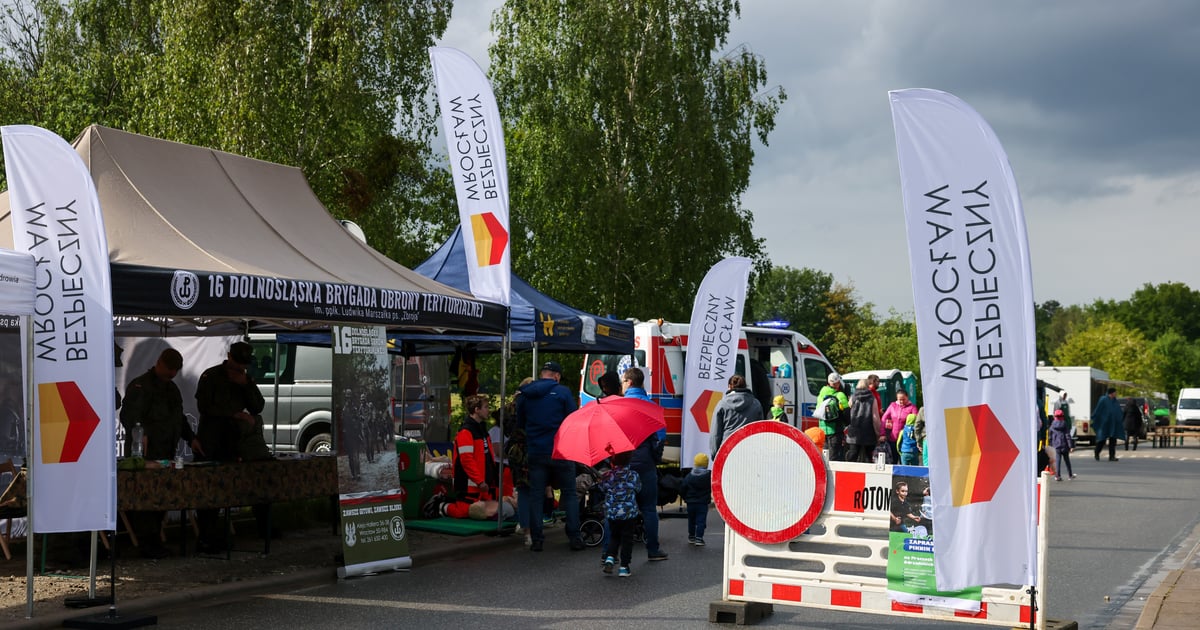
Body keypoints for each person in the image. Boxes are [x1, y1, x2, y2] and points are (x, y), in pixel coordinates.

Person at [119, 348, 202, 558]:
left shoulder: (171, 389)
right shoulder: (141, 386)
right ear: (159, 363)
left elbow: (178, 418)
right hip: (145, 453)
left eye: (173, 372)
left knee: (162, 496)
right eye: (167, 371)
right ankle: (147, 544)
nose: (170, 375)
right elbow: (129, 415)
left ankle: (155, 540)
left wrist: (191, 438)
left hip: (166, 451)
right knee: (146, 498)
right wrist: (141, 434)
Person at [194, 341, 268, 553]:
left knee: (227, 490)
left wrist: (245, 384)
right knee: (209, 491)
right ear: (229, 356)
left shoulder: (245, 379)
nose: (240, 368)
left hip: (234, 442)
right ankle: (206, 538)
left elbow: (257, 406)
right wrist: (233, 413)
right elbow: (205, 406)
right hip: (211, 440)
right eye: (237, 363)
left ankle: (220, 535)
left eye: (243, 365)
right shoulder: (211, 376)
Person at [516, 361, 582, 552]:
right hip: (561, 450)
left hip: (536, 450)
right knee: (569, 494)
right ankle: (574, 538)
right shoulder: (562, 393)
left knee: (536, 495)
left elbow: (520, 422)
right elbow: (573, 419)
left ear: (542, 374)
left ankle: (537, 540)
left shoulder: (525, 394)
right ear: (557, 376)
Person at [619, 367, 668, 561]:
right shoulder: (652, 408)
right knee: (648, 508)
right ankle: (653, 549)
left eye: (623, 381)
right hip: (646, 463)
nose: (622, 384)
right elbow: (660, 438)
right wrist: (654, 458)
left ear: (629, 382)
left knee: (618, 506)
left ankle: (610, 552)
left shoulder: (619, 406)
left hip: (623, 464)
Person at [444, 394, 502, 519]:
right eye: (486, 407)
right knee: (463, 512)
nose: (488, 410)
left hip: (482, 485)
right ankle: (442, 506)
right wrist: (480, 481)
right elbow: (466, 460)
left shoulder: (482, 430)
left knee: (488, 511)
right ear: (476, 410)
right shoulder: (466, 432)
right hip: (468, 485)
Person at [599, 451, 640, 578]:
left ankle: (610, 557)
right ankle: (624, 567)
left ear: (613, 461)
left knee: (614, 536)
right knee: (627, 539)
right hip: (629, 513)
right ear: (629, 460)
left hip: (613, 513)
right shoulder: (633, 475)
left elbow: (602, 488)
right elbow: (638, 489)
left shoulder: (608, 475)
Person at [709, 375, 764, 458]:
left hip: (727, 451)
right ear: (745, 386)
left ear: (729, 387)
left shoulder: (722, 404)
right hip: (750, 452)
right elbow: (760, 431)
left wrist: (715, 455)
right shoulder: (756, 403)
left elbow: (716, 433)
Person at [844, 379, 882, 463]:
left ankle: (850, 473)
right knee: (869, 456)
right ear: (868, 386)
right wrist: (878, 432)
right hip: (868, 431)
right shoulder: (872, 398)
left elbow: (848, 412)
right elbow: (875, 417)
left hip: (854, 432)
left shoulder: (852, 398)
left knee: (853, 454)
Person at [680, 452, 711, 546]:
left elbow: (683, 488)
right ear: (706, 464)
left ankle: (691, 536)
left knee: (691, 520)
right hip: (703, 503)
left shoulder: (689, 476)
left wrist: (686, 498)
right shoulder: (708, 476)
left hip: (691, 502)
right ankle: (699, 538)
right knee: (701, 521)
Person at [817, 373, 850, 461]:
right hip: (836, 431)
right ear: (838, 383)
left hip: (823, 431)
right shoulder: (840, 395)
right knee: (834, 457)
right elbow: (847, 414)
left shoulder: (821, 395)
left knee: (824, 457)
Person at [880, 388, 917, 464]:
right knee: (893, 461)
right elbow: (884, 418)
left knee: (903, 463)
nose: (901, 401)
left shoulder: (912, 408)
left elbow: (915, 422)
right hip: (892, 438)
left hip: (905, 441)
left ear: (907, 397)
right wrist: (882, 434)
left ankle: (904, 476)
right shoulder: (892, 406)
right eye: (899, 399)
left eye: (903, 399)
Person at [1092, 387, 1125, 462]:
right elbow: (1098, 409)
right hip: (1104, 423)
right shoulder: (1103, 399)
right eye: (1115, 392)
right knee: (1102, 439)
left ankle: (1112, 456)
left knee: (1113, 440)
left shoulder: (1115, 401)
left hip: (1113, 423)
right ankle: (1097, 452)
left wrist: (1119, 418)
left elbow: (1117, 410)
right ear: (1111, 393)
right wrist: (1095, 417)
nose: (1116, 394)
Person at [1050, 408, 1077, 481]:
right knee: (1067, 461)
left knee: (1058, 461)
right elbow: (1067, 435)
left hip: (1056, 445)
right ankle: (1070, 475)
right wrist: (1071, 446)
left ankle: (1057, 476)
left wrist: (1051, 444)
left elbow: (1050, 435)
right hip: (1064, 445)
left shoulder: (1052, 425)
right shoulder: (1064, 424)